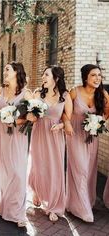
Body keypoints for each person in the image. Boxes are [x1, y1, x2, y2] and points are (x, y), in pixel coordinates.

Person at [65, 64, 109, 222]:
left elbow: (107, 112)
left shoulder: (102, 94)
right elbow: (66, 114)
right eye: (93, 75)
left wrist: (99, 123)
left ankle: (83, 202)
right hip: (75, 135)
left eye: (99, 75)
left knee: (89, 170)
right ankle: (82, 210)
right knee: (80, 169)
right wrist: (67, 124)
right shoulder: (74, 92)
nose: (97, 78)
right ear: (85, 77)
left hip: (92, 137)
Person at [28, 66, 72, 222]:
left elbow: (68, 118)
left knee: (54, 168)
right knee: (38, 165)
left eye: (46, 75)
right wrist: (32, 114)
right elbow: (31, 117)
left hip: (54, 136)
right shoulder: (37, 94)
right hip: (39, 133)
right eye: (43, 74)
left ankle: (54, 205)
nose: (43, 77)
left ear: (56, 79)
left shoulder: (65, 96)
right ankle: (37, 192)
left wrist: (60, 126)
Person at [0, 62, 31, 227]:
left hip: (17, 137)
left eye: (7, 69)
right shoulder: (0, 91)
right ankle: (3, 205)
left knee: (17, 172)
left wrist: (15, 120)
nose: (4, 71)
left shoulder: (26, 93)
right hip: (1, 135)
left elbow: (33, 117)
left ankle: (18, 212)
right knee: (2, 170)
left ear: (17, 72)